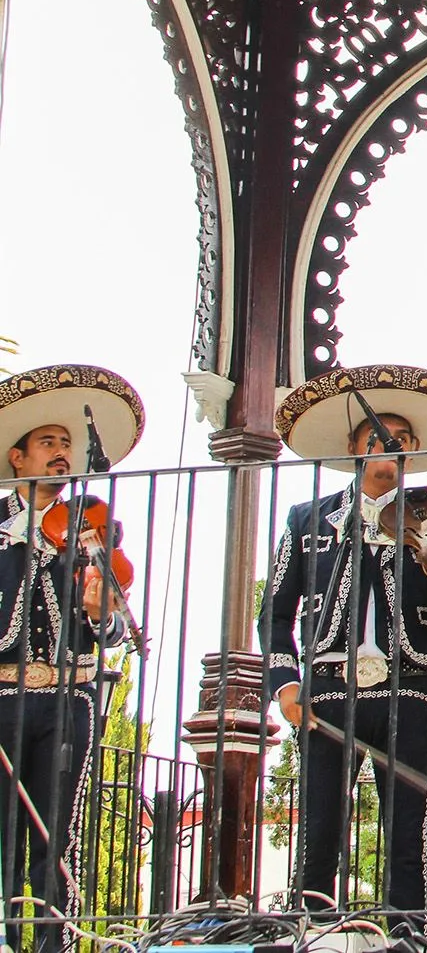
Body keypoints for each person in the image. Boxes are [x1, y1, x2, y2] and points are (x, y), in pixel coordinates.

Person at [260, 364, 427, 925]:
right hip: (330, 694)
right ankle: (314, 931)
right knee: (319, 831)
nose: (393, 449)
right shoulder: (310, 519)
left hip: (411, 690)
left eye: (403, 442)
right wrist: (286, 686)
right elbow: (275, 615)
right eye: (379, 439)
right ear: (354, 450)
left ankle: (410, 934)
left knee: (410, 832)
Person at [0, 365, 139, 951]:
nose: (62, 455)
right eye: (48, 445)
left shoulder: (91, 526)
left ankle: (54, 941)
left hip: (68, 696)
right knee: (5, 830)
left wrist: (103, 610)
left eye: (66, 446)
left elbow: (109, 634)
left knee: (58, 829)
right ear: (18, 457)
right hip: (3, 692)